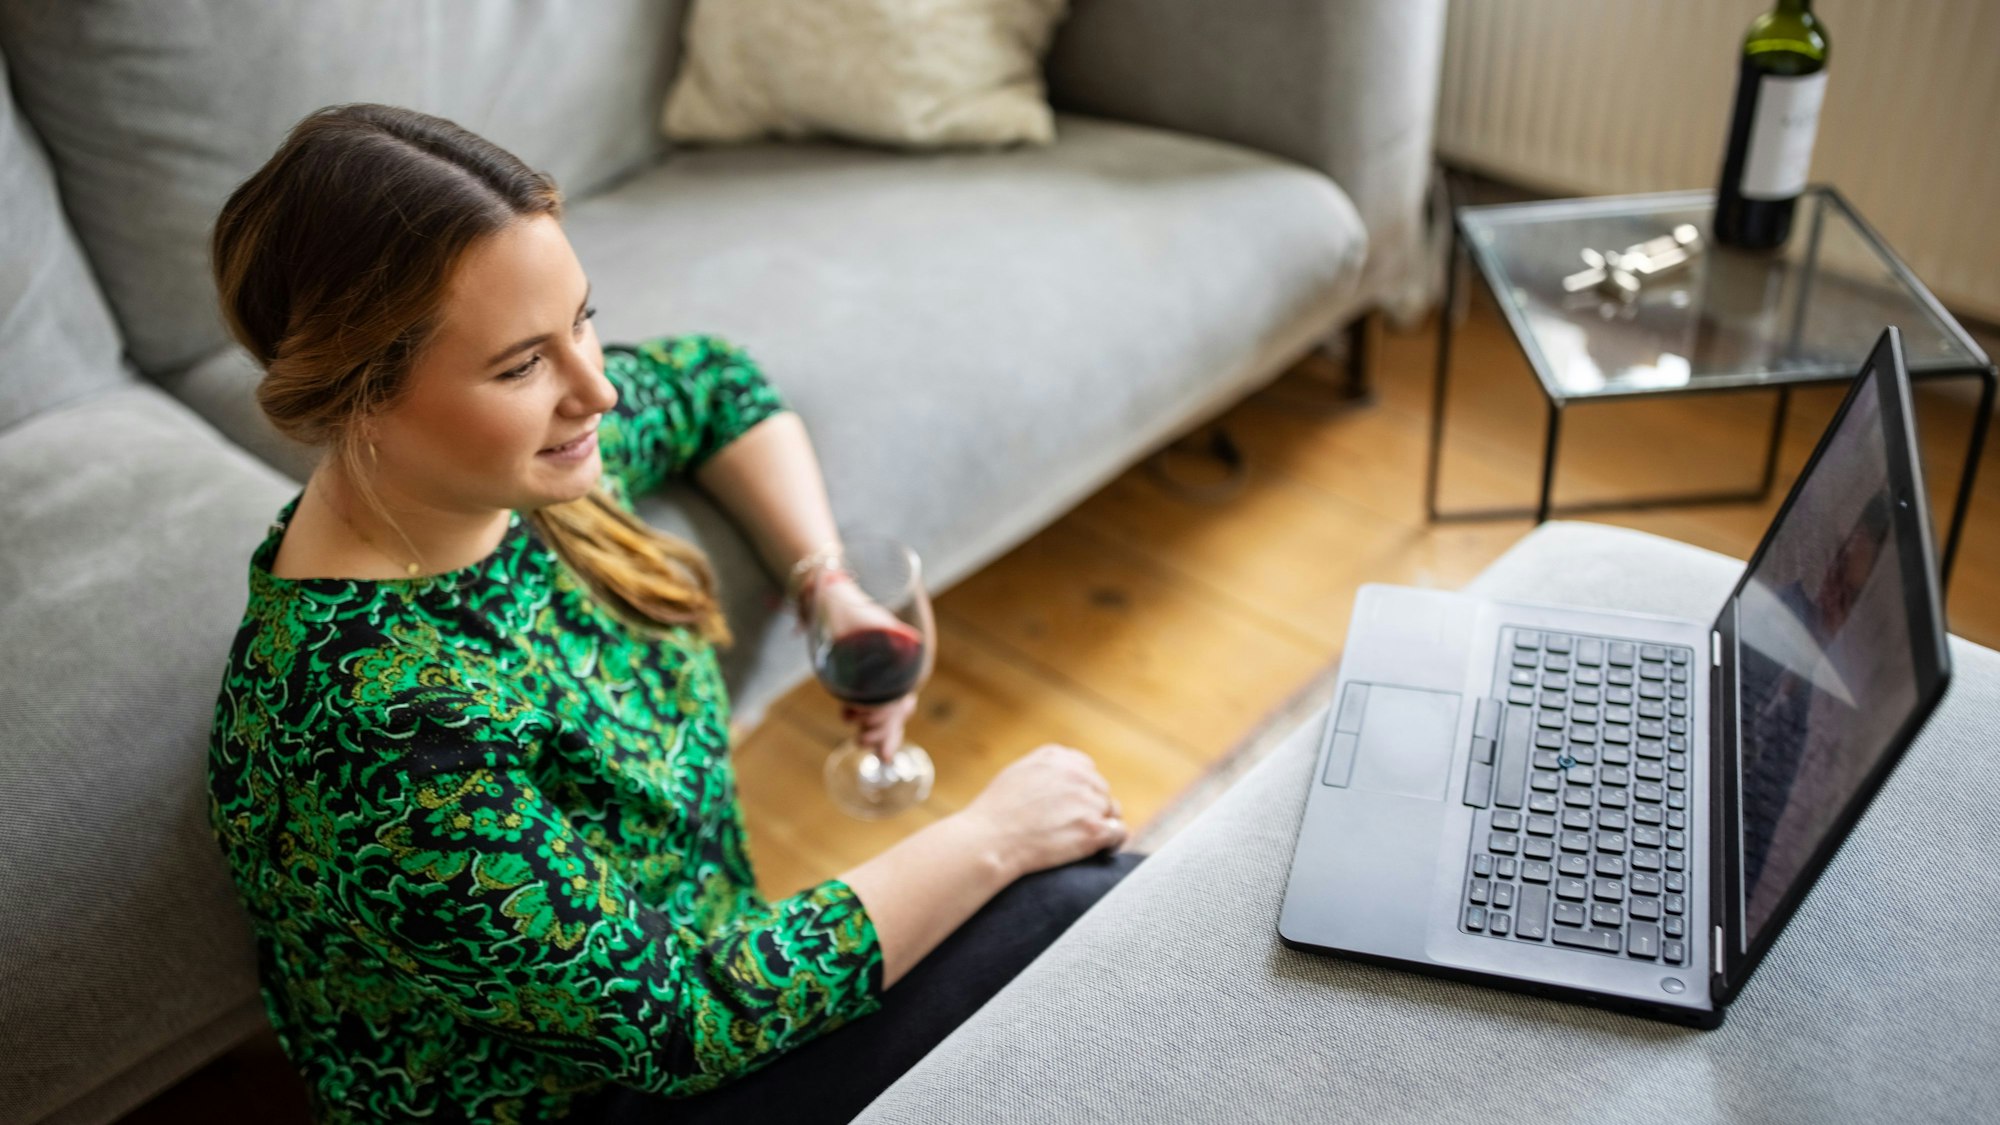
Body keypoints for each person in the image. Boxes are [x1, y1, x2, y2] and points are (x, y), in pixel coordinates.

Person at [204, 102, 1140, 1125]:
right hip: (608, 1097)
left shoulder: (511, 483)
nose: (597, 390)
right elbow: (682, 1024)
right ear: (359, 398)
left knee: (1102, 928)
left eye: (582, 320)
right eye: (521, 365)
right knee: (1082, 910)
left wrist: (823, 583)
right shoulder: (372, 730)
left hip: (705, 976)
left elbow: (716, 383)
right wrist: (991, 838)